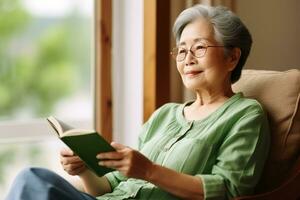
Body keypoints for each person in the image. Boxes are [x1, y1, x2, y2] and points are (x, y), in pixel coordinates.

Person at [5, 4, 270, 200]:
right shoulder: (165, 115)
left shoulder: (245, 115)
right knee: (33, 179)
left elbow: (228, 189)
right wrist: (84, 169)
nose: (187, 58)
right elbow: (108, 186)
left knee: (31, 181)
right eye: (181, 50)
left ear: (232, 58)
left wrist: (149, 170)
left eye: (199, 47)